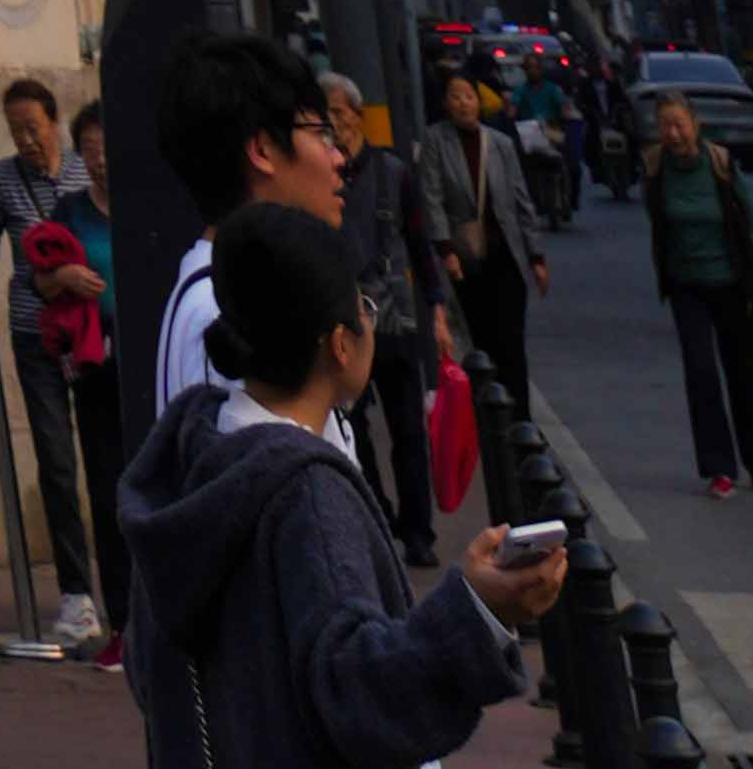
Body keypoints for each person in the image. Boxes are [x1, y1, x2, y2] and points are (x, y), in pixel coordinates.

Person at [117, 198, 555, 769]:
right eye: (365, 311)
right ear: (340, 342)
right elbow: (358, 692)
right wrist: (479, 610)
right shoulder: (307, 494)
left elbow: (154, 671)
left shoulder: (193, 458)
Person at [154, 32, 359, 416]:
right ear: (262, 151)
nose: (338, 159)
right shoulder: (227, 312)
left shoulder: (231, 288)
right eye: (321, 135)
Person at [0, 72, 106, 650]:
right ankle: (77, 593)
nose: (25, 139)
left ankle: (123, 584)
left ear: (54, 122)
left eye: (33, 126)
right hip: (35, 336)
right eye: (15, 130)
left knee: (105, 456)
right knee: (55, 461)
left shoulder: (85, 171)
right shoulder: (2, 178)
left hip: (93, 336)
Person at [23, 107, 130, 646]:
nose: (102, 162)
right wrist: (63, 275)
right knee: (108, 488)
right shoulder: (70, 210)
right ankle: (123, 617)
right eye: (91, 152)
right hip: (96, 367)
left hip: (147, 363)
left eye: (109, 150)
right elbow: (37, 278)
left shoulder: (148, 207)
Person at [638, 92, 753, 495]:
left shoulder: (719, 164)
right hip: (686, 284)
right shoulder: (655, 168)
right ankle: (719, 469)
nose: (674, 133)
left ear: (695, 125)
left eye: (680, 124)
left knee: (744, 373)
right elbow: (658, 222)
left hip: (732, 281)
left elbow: (744, 217)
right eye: (666, 125)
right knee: (701, 373)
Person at [414, 56, 548, 436]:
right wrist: (446, 250)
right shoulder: (436, 142)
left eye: (468, 96)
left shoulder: (501, 144)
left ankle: (522, 423)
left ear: (479, 100)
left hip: (507, 257)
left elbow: (522, 202)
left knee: (512, 344)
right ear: (446, 102)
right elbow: (433, 198)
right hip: (466, 262)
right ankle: (487, 422)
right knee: (481, 342)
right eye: (455, 96)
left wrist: (536, 256)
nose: (462, 103)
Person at [336, 98, 443, 565]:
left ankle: (419, 532)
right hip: (343, 322)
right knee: (350, 428)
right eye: (325, 114)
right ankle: (378, 516)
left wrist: (436, 309)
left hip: (395, 320)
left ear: (358, 114)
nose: (333, 123)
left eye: (339, 112)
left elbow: (420, 244)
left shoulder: (394, 172)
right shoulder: (322, 174)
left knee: (408, 433)